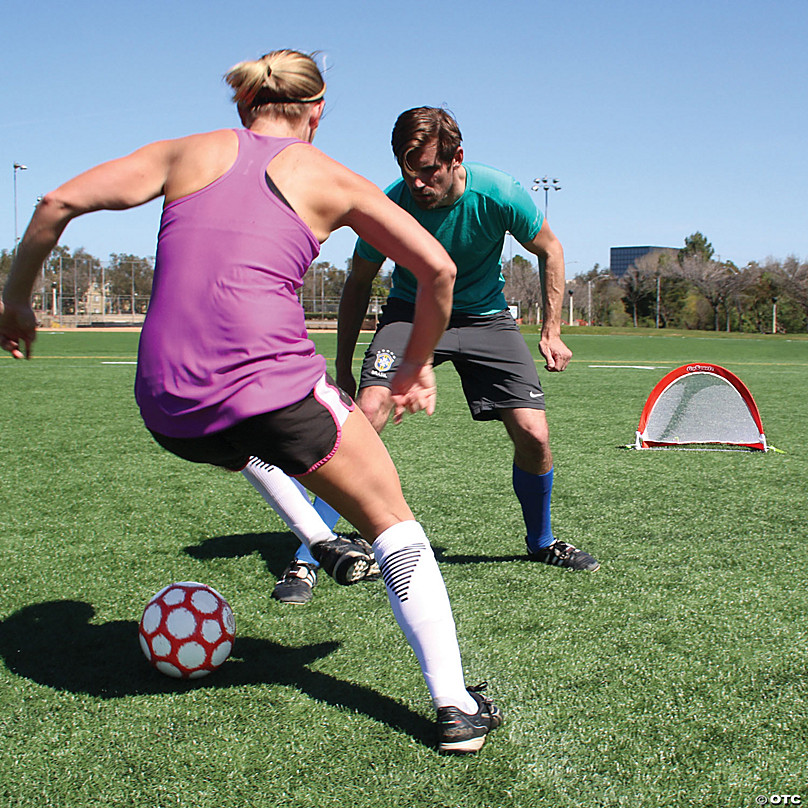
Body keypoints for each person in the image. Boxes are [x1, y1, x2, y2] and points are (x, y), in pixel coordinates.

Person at [0, 54, 501, 754]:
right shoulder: (330, 177)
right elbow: (438, 268)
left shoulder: (183, 153)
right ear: (317, 112)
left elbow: (56, 203)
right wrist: (416, 366)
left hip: (167, 406)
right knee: (395, 527)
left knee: (246, 443)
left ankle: (321, 540)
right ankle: (456, 706)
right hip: (273, 390)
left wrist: (16, 299)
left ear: (245, 107)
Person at [252, 105, 600, 605]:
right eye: (407, 170)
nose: (417, 183)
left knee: (533, 431)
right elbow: (358, 280)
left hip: (485, 317)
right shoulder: (390, 203)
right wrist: (347, 365)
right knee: (365, 415)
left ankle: (542, 541)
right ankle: (309, 557)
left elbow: (550, 247)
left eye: (428, 170)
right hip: (411, 313)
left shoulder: (497, 193)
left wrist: (552, 329)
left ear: (457, 158)